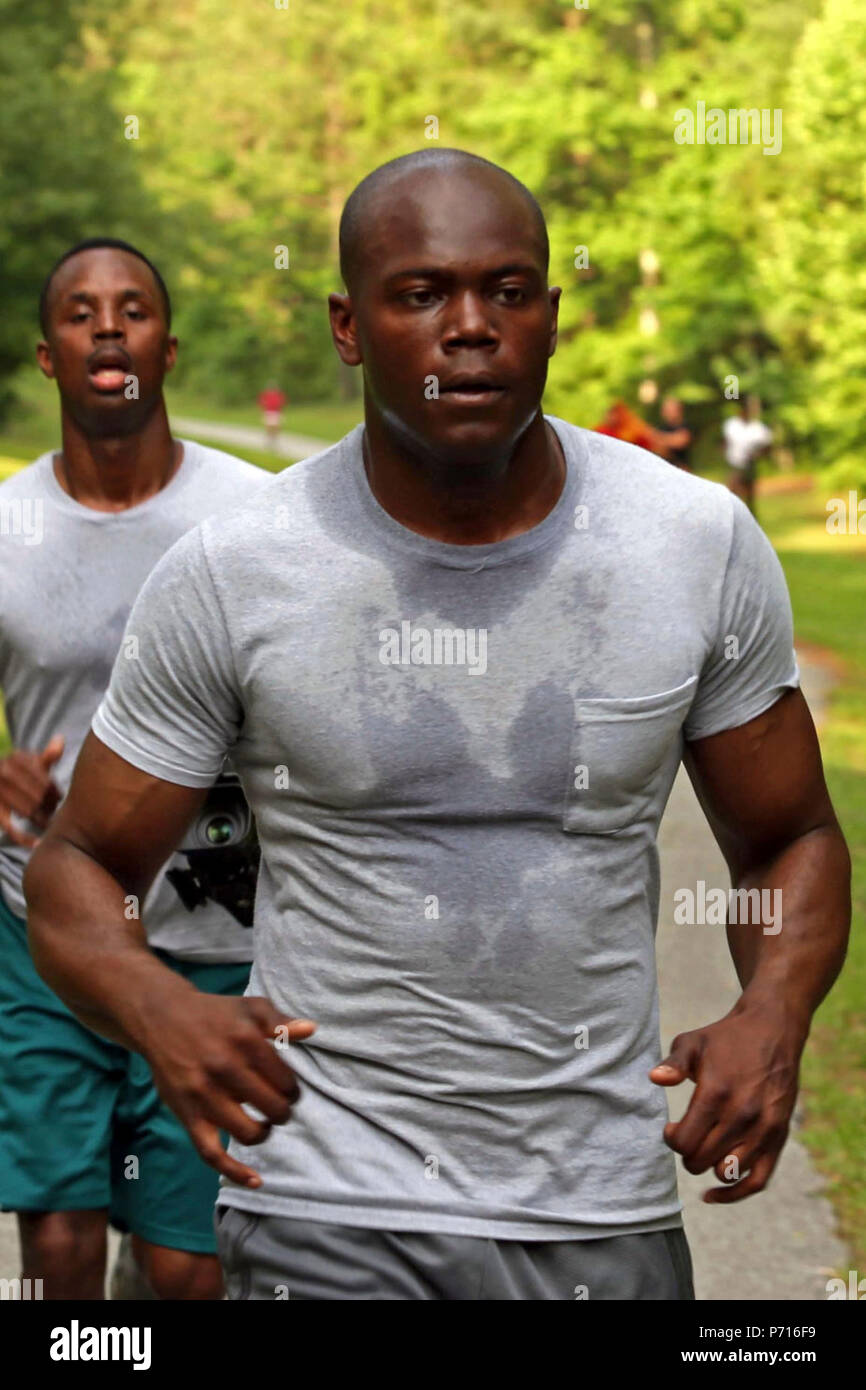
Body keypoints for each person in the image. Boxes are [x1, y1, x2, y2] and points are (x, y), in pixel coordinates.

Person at [25, 153, 850, 1302]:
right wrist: (159, 1005)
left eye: (507, 291)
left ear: (551, 319)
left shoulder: (689, 543)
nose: (470, 328)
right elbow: (79, 862)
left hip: (595, 1205)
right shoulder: (237, 570)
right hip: (325, 1195)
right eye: (419, 294)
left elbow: (786, 839)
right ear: (347, 326)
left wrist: (772, 1012)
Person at [0, 238, 272, 1299]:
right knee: (56, 1253)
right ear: (46, 356)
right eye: (80, 312)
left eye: (132, 310)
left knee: (181, 1270)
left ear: (167, 346)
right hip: (43, 931)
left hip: (215, 933)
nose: (108, 327)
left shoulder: (255, 518)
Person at [723, 396, 773, 514]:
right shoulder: (731, 425)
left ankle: (750, 516)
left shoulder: (758, 428)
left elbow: (767, 447)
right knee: (733, 491)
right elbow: (725, 442)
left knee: (749, 495)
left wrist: (758, 454)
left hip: (749, 464)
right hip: (734, 463)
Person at [654, 395, 693, 472]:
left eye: (670, 410)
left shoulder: (685, 426)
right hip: (664, 470)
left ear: (679, 411)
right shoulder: (662, 428)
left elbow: (681, 441)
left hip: (681, 469)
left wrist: (659, 438)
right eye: (665, 410)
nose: (667, 413)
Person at [258, 382, 287, 450]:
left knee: (276, 427)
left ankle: (275, 441)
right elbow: (261, 401)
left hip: (277, 412)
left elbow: (282, 402)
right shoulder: (266, 394)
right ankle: (269, 441)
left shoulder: (279, 394)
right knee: (269, 427)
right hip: (268, 412)